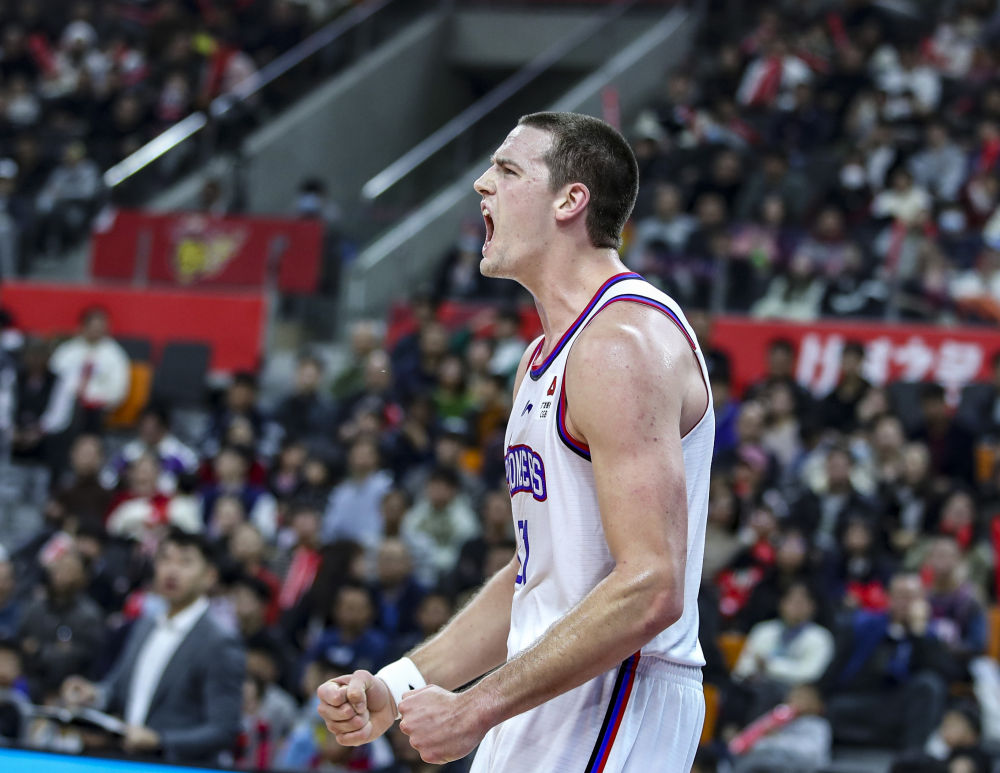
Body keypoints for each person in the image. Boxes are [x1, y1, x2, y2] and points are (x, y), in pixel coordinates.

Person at [318, 111, 713, 770]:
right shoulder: (544, 356)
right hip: (544, 683)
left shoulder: (619, 345)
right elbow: (535, 576)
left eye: (506, 169)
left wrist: (474, 707)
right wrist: (399, 684)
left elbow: (652, 585)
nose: (481, 184)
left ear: (570, 200)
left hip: (615, 693)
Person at [61, 528, 245, 764]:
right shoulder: (145, 625)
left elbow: (223, 731)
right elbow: (117, 689)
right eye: (165, 559)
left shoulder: (219, 642)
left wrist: (160, 741)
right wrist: (93, 695)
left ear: (209, 576)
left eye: (185, 562)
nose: (171, 570)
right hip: (127, 761)